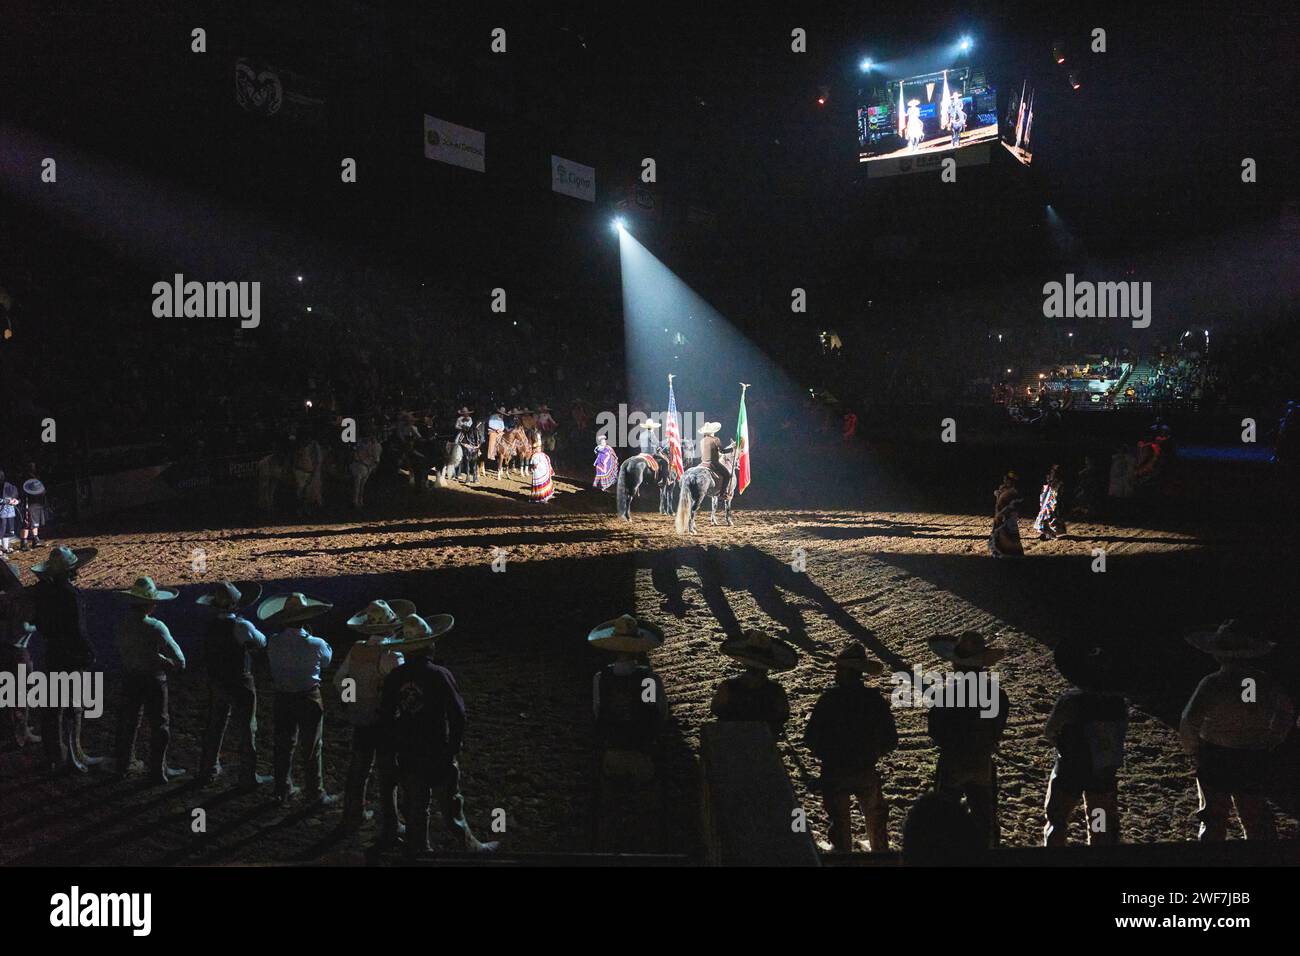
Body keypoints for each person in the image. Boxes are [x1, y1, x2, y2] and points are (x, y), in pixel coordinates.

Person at [378, 613, 498, 854]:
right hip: (436, 749)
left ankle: (418, 849)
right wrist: (453, 747)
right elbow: (458, 714)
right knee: (451, 804)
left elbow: (386, 717)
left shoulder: (394, 677)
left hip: (408, 750)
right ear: (429, 645)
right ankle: (469, 846)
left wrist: (392, 749)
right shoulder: (439, 674)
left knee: (415, 806)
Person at [1180, 621, 1294, 841]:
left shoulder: (1212, 683)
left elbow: (1189, 719)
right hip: (1253, 754)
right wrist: (1273, 738)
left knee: (1213, 816)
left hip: (1215, 755)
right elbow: (1285, 712)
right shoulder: (1264, 682)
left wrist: (1193, 748)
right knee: (1255, 815)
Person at [335, 599, 420, 837]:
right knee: (387, 775)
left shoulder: (357, 648)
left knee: (358, 770)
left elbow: (340, 680)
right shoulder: (391, 655)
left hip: (361, 719)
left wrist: (353, 701)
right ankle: (391, 824)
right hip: (384, 722)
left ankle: (352, 815)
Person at [804, 643, 897, 853]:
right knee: (875, 817)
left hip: (835, 771)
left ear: (845, 671)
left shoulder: (829, 700)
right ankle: (879, 853)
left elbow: (810, 738)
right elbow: (891, 739)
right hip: (866, 769)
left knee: (839, 821)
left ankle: (843, 853)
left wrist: (824, 755)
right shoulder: (875, 700)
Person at [926, 631, 1009, 847]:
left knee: (943, 816)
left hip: (953, 759)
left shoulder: (948, 695)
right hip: (982, 759)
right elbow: (998, 726)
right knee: (985, 817)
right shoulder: (996, 694)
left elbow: (935, 730)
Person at [1042, 640, 1128, 846]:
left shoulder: (1070, 701)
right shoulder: (1117, 703)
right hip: (1102, 773)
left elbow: (1050, 731)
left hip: (1071, 769)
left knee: (1058, 820)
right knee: (1099, 824)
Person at [258, 591, 339, 808]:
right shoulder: (316, 643)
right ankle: (315, 792)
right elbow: (326, 663)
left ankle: (282, 789)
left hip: (283, 698)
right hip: (308, 697)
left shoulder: (273, 642)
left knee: (283, 745)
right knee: (312, 746)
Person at [31, 545, 101, 774]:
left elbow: (41, 624)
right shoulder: (70, 595)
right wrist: (88, 650)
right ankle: (73, 754)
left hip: (53, 652)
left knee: (52, 706)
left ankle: (55, 756)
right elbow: (78, 628)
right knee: (73, 706)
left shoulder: (44, 594)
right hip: (71, 654)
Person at [196, 581, 271, 789]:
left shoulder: (211, 626)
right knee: (247, 728)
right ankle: (248, 775)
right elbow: (262, 642)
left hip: (217, 680)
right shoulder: (242, 626)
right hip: (239, 680)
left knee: (215, 725)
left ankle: (208, 769)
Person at [112, 576, 187, 784]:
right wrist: (163, 661)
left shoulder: (122, 624)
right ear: (151, 605)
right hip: (153, 679)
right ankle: (158, 769)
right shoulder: (156, 627)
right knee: (160, 724)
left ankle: (124, 765)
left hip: (130, 677)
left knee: (129, 721)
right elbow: (180, 660)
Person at [587, 614, 668, 779]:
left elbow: (598, 711)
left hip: (612, 747)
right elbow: (654, 711)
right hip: (640, 748)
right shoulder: (649, 680)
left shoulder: (600, 678)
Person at [710, 629, 797, 739]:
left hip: (731, 739)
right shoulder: (776, 691)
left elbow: (716, 709)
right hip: (764, 741)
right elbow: (783, 715)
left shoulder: (727, 686)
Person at [0, 558, 39, 748]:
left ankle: (11, 729)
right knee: (21, 694)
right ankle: (20, 733)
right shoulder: (18, 602)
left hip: (3, 650)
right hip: (17, 652)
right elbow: (23, 627)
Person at [988, 472, 1024, 557]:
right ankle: (1000, 552)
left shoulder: (1014, 491)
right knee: (1000, 533)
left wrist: (1008, 510)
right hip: (1000, 514)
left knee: (1009, 533)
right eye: (1005, 479)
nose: (1005, 480)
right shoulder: (1003, 488)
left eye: (1006, 479)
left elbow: (1017, 502)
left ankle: (1011, 552)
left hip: (1008, 516)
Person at [697, 421, 734, 494]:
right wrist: (732, 449)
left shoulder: (702, 441)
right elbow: (722, 451)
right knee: (727, 475)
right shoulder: (715, 439)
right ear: (712, 431)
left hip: (703, 463)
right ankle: (722, 494)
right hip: (713, 463)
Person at [1032, 464, 1067, 540]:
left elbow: (1058, 491)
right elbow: (1046, 486)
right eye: (1053, 470)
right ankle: (1045, 532)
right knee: (1045, 514)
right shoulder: (1050, 478)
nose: (1053, 472)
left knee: (1051, 514)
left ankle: (1051, 533)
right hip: (1047, 497)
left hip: (1053, 499)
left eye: (1055, 471)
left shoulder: (1059, 482)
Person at [19, 466, 47, 550]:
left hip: (36, 504)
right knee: (26, 524)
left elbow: (42, 491)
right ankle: (23, 543)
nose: (33, 468)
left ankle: (36, 540)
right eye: (31, 466)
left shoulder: (36, 477)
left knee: (36, 522)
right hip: (28, 505)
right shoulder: (25, 478)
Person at [454, 407, 479, 484]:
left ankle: (478, 450)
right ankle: (456, 449)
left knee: (476, 438)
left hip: (469, 432)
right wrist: (462, 427)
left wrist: (469, 428)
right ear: (462, 413)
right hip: (462, 432)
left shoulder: (470, 418)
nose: (466, 413)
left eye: (466, 412)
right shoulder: (459, 419)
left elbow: (472, 426)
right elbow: (456, 426)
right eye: (464, 412)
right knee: (457, 440)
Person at [528, 436, 555, 503]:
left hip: (543, 472)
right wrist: (537, 466)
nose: (539, 449)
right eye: (538, 448)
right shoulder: (534, 456)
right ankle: (540, 497)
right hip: (538, 473)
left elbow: (546, 460)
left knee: (544, 484)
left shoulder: (542, 454)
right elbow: (534, 465)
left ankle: (545, 496)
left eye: (540, 448)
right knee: (540, 485)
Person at [0, 470, 19, 554]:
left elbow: (16, 497)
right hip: (1, 513)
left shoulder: (9, 485)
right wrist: (7, 501)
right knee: (1, 530)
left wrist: (16, 501)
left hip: (10, 513)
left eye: (2, 475)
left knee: (8, 531)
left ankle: (5, 548)